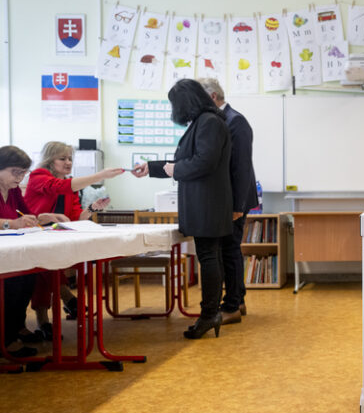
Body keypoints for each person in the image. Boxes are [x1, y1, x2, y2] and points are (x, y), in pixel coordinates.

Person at [132, 79, 233, 339]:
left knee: (209, 258)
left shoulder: (209, 122)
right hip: (205, 202)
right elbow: (188, 160)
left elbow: (203, 162)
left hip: (207, 204)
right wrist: (153, 167)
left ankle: (210, 314)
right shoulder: (204, 121)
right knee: (210, 257)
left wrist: (175, 169)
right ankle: (210, 314)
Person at [24, 141, 124, 338]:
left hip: (55, 234)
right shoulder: (38, 177)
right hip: (32, 232)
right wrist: (101, 175)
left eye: (70, 158)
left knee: (49, 268)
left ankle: (47, 319)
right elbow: (58, 187)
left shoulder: (71, 186)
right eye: (62, 158)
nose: (68, 162)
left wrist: (94, 208)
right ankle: (66, 300)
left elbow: (76, 217)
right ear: (49, 161)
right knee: (47, 267)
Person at [198, 78, 258, 325]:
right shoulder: (220, 121)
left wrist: (236, 206)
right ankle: (238, 300)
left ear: (212, 97)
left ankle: (232, 306)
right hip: (225, 199)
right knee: (227, 250)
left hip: (234, 200)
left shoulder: (235, 121)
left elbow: (242, 166)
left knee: (229, 250)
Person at [0, 146, 66, 357]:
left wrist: (43, 218)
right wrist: (11, 223)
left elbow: (24, 215)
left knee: (29, 277)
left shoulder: (14, 190)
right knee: (13, 284)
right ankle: (6, 340)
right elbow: (13, 221)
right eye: (15, 172)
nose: (19, 178)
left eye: (23, 173)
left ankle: (17, 327)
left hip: (11, 249)